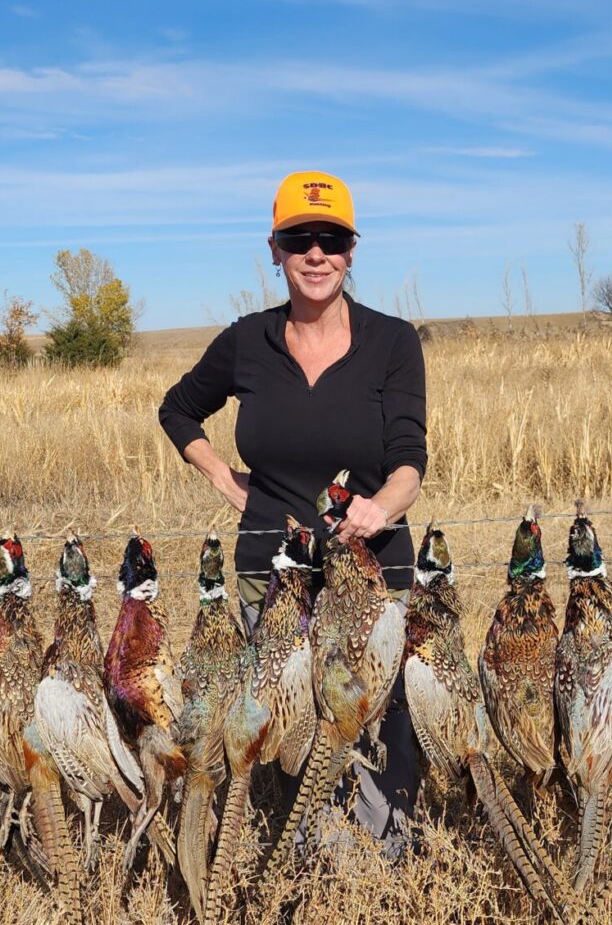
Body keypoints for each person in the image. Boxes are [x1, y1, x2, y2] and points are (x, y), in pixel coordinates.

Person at [157, 170, 426, 854]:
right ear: (273, 249)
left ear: (351, 250)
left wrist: (381, 508)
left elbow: (407, 459)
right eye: (297, 238)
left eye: (330, 238)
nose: (315, 253)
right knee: (292, 733)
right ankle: (310, 877)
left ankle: (383, 879)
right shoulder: (248, 341)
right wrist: (223, 479)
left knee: (377, 730)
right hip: (271, 578)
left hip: (370, 577)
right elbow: (178, 409)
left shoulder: (392, 341)